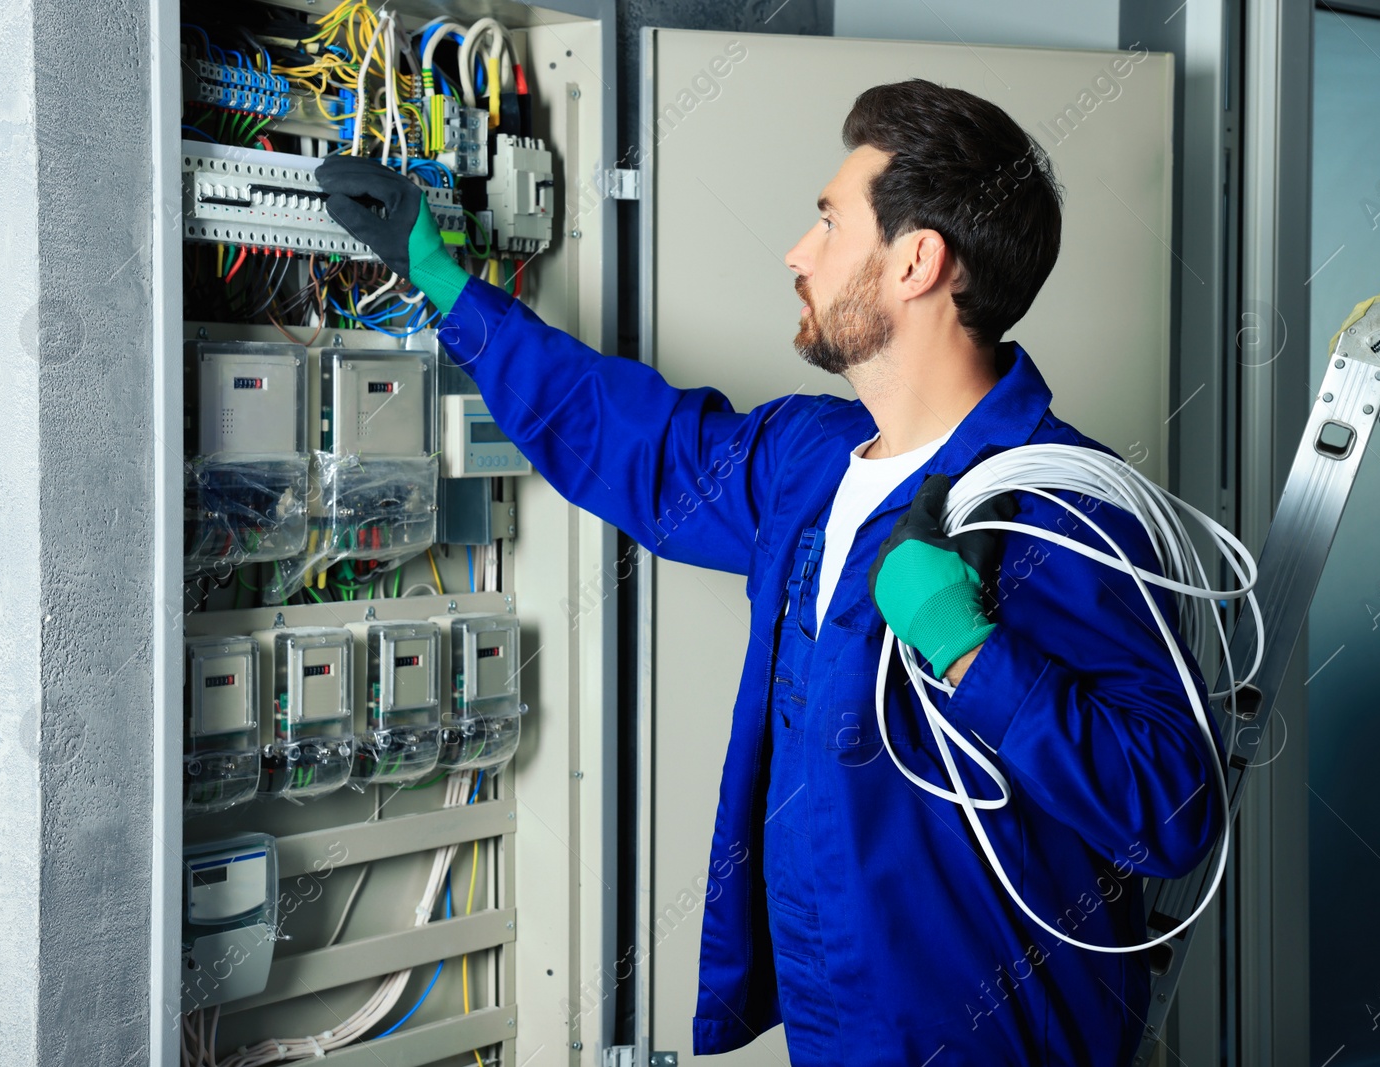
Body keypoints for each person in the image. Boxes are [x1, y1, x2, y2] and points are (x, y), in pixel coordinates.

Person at [318, 78, 1220, 1066]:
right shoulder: (809, 462)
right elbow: (643, 448)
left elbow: (1170, 812)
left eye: (829, 222)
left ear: (916, 260)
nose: (799, 251)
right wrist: (447, 287)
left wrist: (972, 654)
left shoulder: (1059, 506)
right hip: (835, 1021)